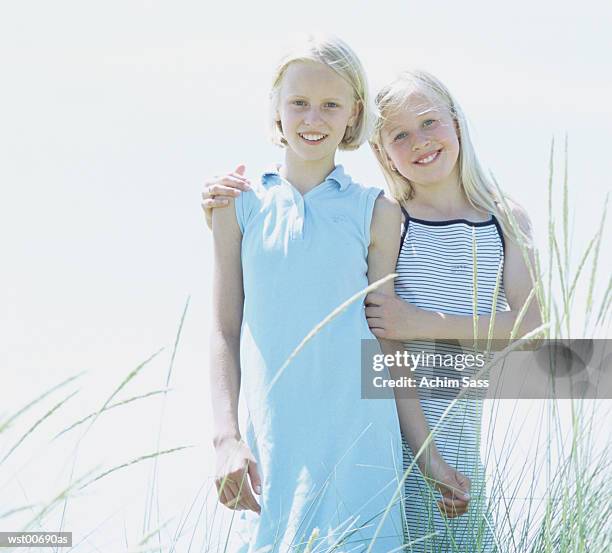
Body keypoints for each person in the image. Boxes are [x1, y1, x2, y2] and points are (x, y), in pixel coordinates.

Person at [208, 36, 470, 553]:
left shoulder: (375, 212)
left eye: (331, 104)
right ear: (277, 111)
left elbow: (388, 344)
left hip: (361, 457)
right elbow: (222, 329)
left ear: (354, 114)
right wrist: (225, 439)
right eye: (299, 102)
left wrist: (427, 454)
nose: (314, 117)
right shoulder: (237, 206)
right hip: (274, 457)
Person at [365, 70, 543, 551]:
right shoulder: (390, 219)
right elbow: (390, 354)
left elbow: (531, 328)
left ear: (457, 124)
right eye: (399, 135)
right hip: (398, 440)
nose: (419, 142)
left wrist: (420, 322)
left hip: (464, 442)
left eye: (429, 123)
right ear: (383, 153)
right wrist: (427, 457)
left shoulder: (504, 218)